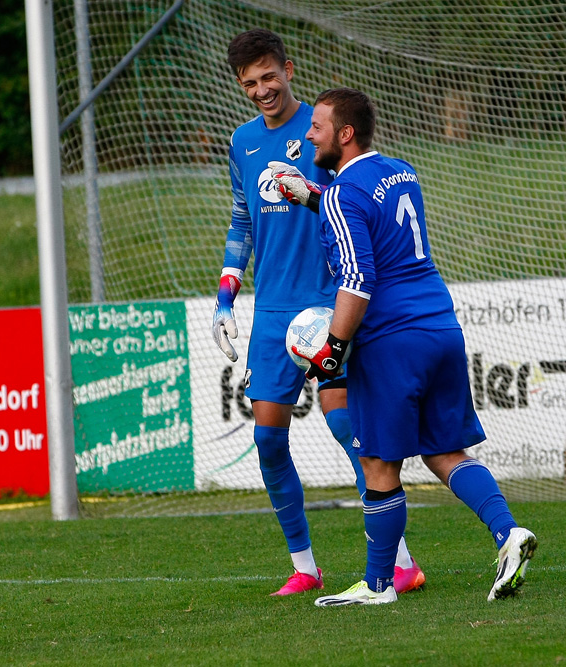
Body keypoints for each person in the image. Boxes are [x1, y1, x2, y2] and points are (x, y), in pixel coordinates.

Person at [281, 87, 537, 606]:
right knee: (444, 451)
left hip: (391, 339)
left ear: (345, 134)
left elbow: (358, 275)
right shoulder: (402, 171)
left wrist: (332, 348)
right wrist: (312, 195)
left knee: (378, 464)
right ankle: (508, 533)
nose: (309, 134)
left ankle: (378, 586)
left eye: (318, 127)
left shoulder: (340, 194)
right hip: (440, 327)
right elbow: (367, 214)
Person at [212, 30, 425, 597]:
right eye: (250, 82)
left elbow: (354, 198)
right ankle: (305, 567)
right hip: (273, 307)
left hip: (328, 299)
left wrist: (305, 189)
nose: (262, 90)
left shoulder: (324, 127)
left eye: (269, 77)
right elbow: (241, 219)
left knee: (344, 424)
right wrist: (226, 296)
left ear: (287, 68)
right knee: (266, 440)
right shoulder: (243, 141)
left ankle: (400, 562)